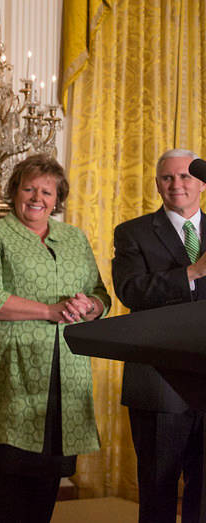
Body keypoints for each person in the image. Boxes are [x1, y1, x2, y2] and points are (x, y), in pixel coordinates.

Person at [0, 153, 110, 523]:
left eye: (46, 191)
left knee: (49, 473)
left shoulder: (74, 237)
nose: (37, 198)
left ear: (57, 198)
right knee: (13, 471)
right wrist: (50, 310)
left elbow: (101, 295)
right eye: (29, 188)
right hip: (12, 369)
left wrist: (89, 305)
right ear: (15, 192)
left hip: (65, 370)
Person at [112, 148, 206, 523]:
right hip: (158, 381)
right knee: (158, 489)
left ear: (201, 183)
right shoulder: (133, 232)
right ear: (157, 185)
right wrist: (192, 272)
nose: (176, 184)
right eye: (167, 178)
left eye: (185, 177)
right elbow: (130, 291)